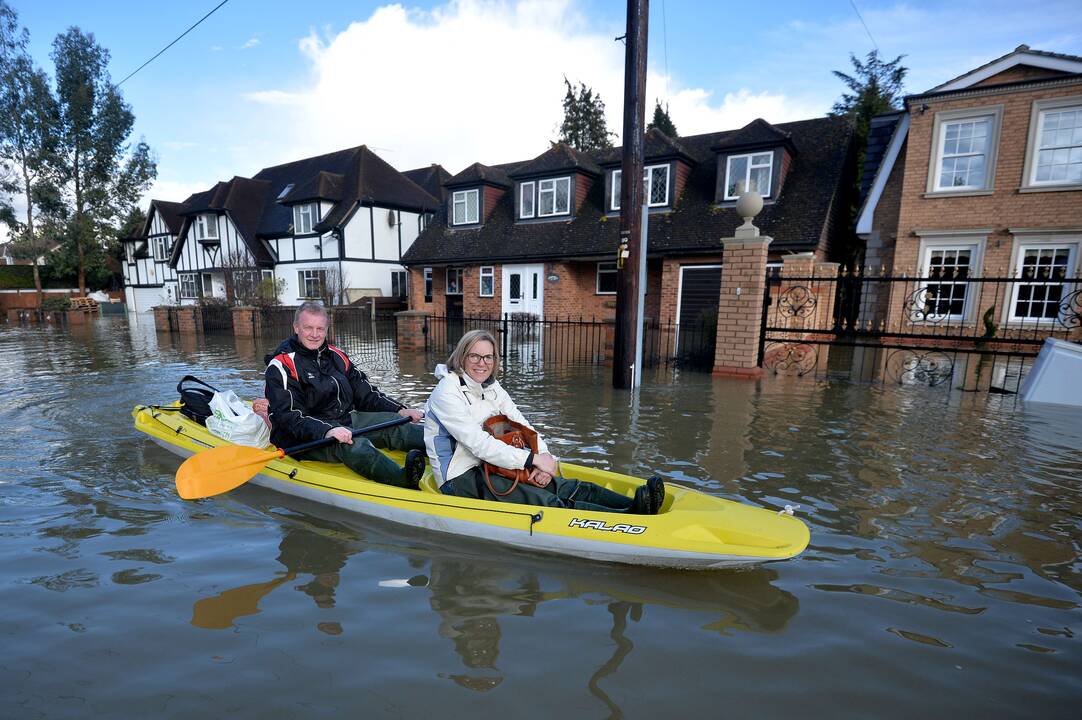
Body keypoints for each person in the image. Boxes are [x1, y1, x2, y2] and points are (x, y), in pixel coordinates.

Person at [424, 329, 664, 513]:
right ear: (462, 356)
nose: (482, 363)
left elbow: (523, 424)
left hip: (497, 463)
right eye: (474, 356)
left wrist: (546, 462)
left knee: (565, 486)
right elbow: (478, 444)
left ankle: (637, 503)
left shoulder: (491, 386)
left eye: (488, 357)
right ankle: (630, 516)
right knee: (546, 501)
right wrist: (532, 459)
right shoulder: (447, 392)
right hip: (460, 477)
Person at [264, 301, 426, 489]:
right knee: (355, 445)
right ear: (296, 328)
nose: (315, 334)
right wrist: (328, 431)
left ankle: (449, 448)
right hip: (305, 436)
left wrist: (400, 410)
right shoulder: (281, 365)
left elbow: (366, 394)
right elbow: (289, 417)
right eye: (308, 328)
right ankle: (401, 480)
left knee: (396, 424)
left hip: (343, 420)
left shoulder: (337, 356)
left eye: (320, 329)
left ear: (326, 329)